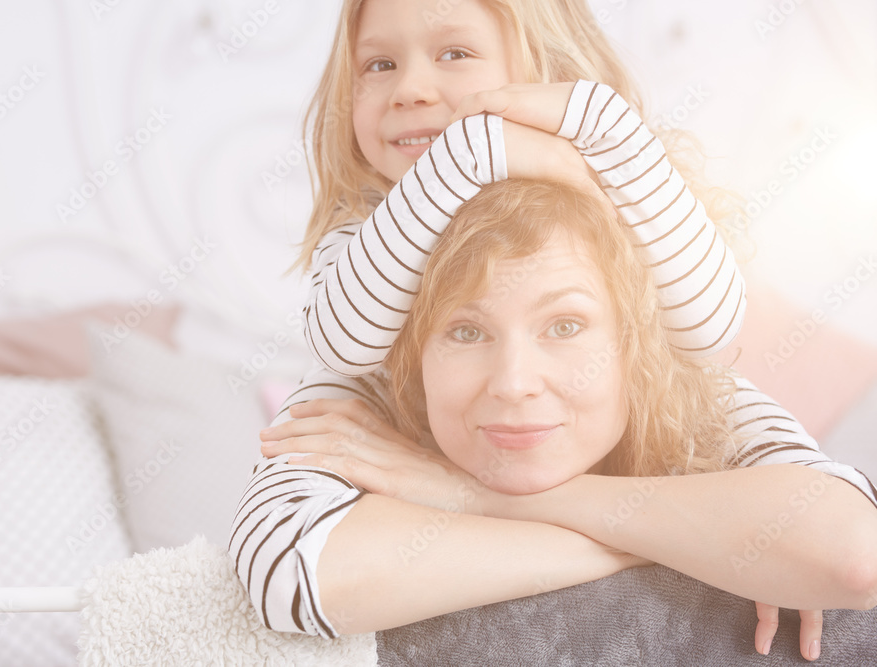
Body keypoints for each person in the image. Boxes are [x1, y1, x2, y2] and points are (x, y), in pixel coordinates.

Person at [231, 0, 750, 650]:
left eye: (455, 53)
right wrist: (470, 150)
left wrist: (604, 124)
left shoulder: (624, 232)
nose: (411, 88)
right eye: (380, 63)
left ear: (543, 69)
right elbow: (287, 564)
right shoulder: (360, 244)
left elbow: (713, 333)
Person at [258, 179, 877, 659]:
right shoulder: (359, 407)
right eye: (466, 331)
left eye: (565, 325)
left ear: (636, 342)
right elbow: (296, 577)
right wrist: (683, 544)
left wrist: (468, 496)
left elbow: (854, 555)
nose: (514, 383)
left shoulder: (708, 402)